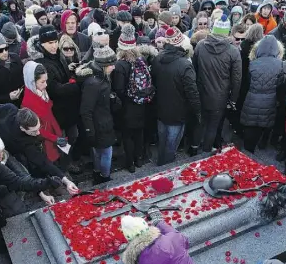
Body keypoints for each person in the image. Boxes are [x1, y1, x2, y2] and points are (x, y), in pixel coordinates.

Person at [192, 14, 242, 154]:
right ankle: (207, 151)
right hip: (220, 97)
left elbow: (194, 70)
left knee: (200, 122)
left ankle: (194, 148)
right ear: (227, 33)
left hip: (201, 93)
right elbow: (237, 79)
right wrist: (233, 100)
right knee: (213, 125)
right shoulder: (233, 51)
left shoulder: (201, 46)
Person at [151, 26, 200, 165]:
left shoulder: (157, 59)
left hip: (160, 110)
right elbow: (192, 92)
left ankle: (160, 166)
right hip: (178, 113)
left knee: (163, 141)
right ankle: (166, 169)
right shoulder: (185, 64)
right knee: (171, 145)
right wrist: (197, 111)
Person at [27, 25, 81, 145]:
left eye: (56, 42)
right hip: (55, 111)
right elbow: (54, 89)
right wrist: (77, 84)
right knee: (62, 141)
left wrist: (72, 73)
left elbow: (63, 75)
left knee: (73, 136)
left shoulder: (57, 54)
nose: (54, 46)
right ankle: (66, 162)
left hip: (67, 107)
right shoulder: (40, 62)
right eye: (50, 43)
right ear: (42, 44)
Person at [111, 24, 155, 172]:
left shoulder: (120, 65)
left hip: (127, 107)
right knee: (139, 133)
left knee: (127, 136)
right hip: (142, 104)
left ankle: (130, 164)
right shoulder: (142, 60)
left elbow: (119, 89)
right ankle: (139, 159)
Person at [77, 44, 119, 184]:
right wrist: (90, 131)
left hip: (103, 122)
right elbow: (86, 110)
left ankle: (98, 173)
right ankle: (104, 178)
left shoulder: (101, 77)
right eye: (111, 64)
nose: (114, 67)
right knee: (106, 153)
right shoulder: (93, 83)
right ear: (103, 65)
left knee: (99, 152)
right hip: (99, 125)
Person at [241, 35, 285, 153]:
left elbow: (247, 81)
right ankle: (253, 148)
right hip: (269, 100)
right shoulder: (280, 64)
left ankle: (246, 149)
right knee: (261, 126)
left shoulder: (253, 63)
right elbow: (280, 84)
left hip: (252, 98)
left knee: (249, 125)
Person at [20, 61, 66, 170]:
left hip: (52, 133)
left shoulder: (40, 91)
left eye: (46, 80)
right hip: (45, 140)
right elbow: (35, 129)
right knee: (50, 164)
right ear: (32, 81)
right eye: (42, 82)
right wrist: (55, 138)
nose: (46, 84)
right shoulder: (28, 102)